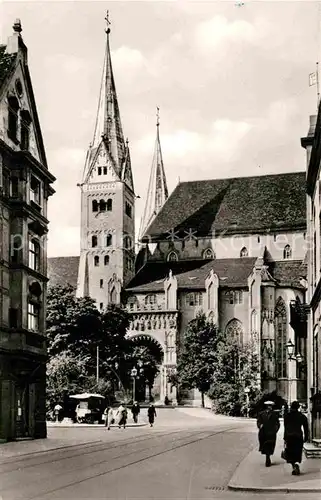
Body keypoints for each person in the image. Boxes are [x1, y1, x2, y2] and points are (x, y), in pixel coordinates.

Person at [283, 400, 309, 476]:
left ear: (291, 407)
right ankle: (296, 464)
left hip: (289, 437)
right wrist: (306, 437)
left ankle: (294, 465)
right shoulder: (302, 416)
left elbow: (286, 427)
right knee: (297, 452)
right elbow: (306, 428)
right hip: (298, 436)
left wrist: (285, 438)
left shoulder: (287, 416)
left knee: (290, 453)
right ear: (298, 407)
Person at [257, 401, 280, 467]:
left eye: (271, 406)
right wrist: (260, 425)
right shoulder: (261, 414)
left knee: (270, 445)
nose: (270, 407)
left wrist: (275, 430)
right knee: (265, 445)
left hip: (271, 433)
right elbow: (258, 422)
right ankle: (267, 457)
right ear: (266, 407)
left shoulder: (274, 414)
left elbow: (277, 423)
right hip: (263, 432)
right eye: (268, 406)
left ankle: (268, 457)